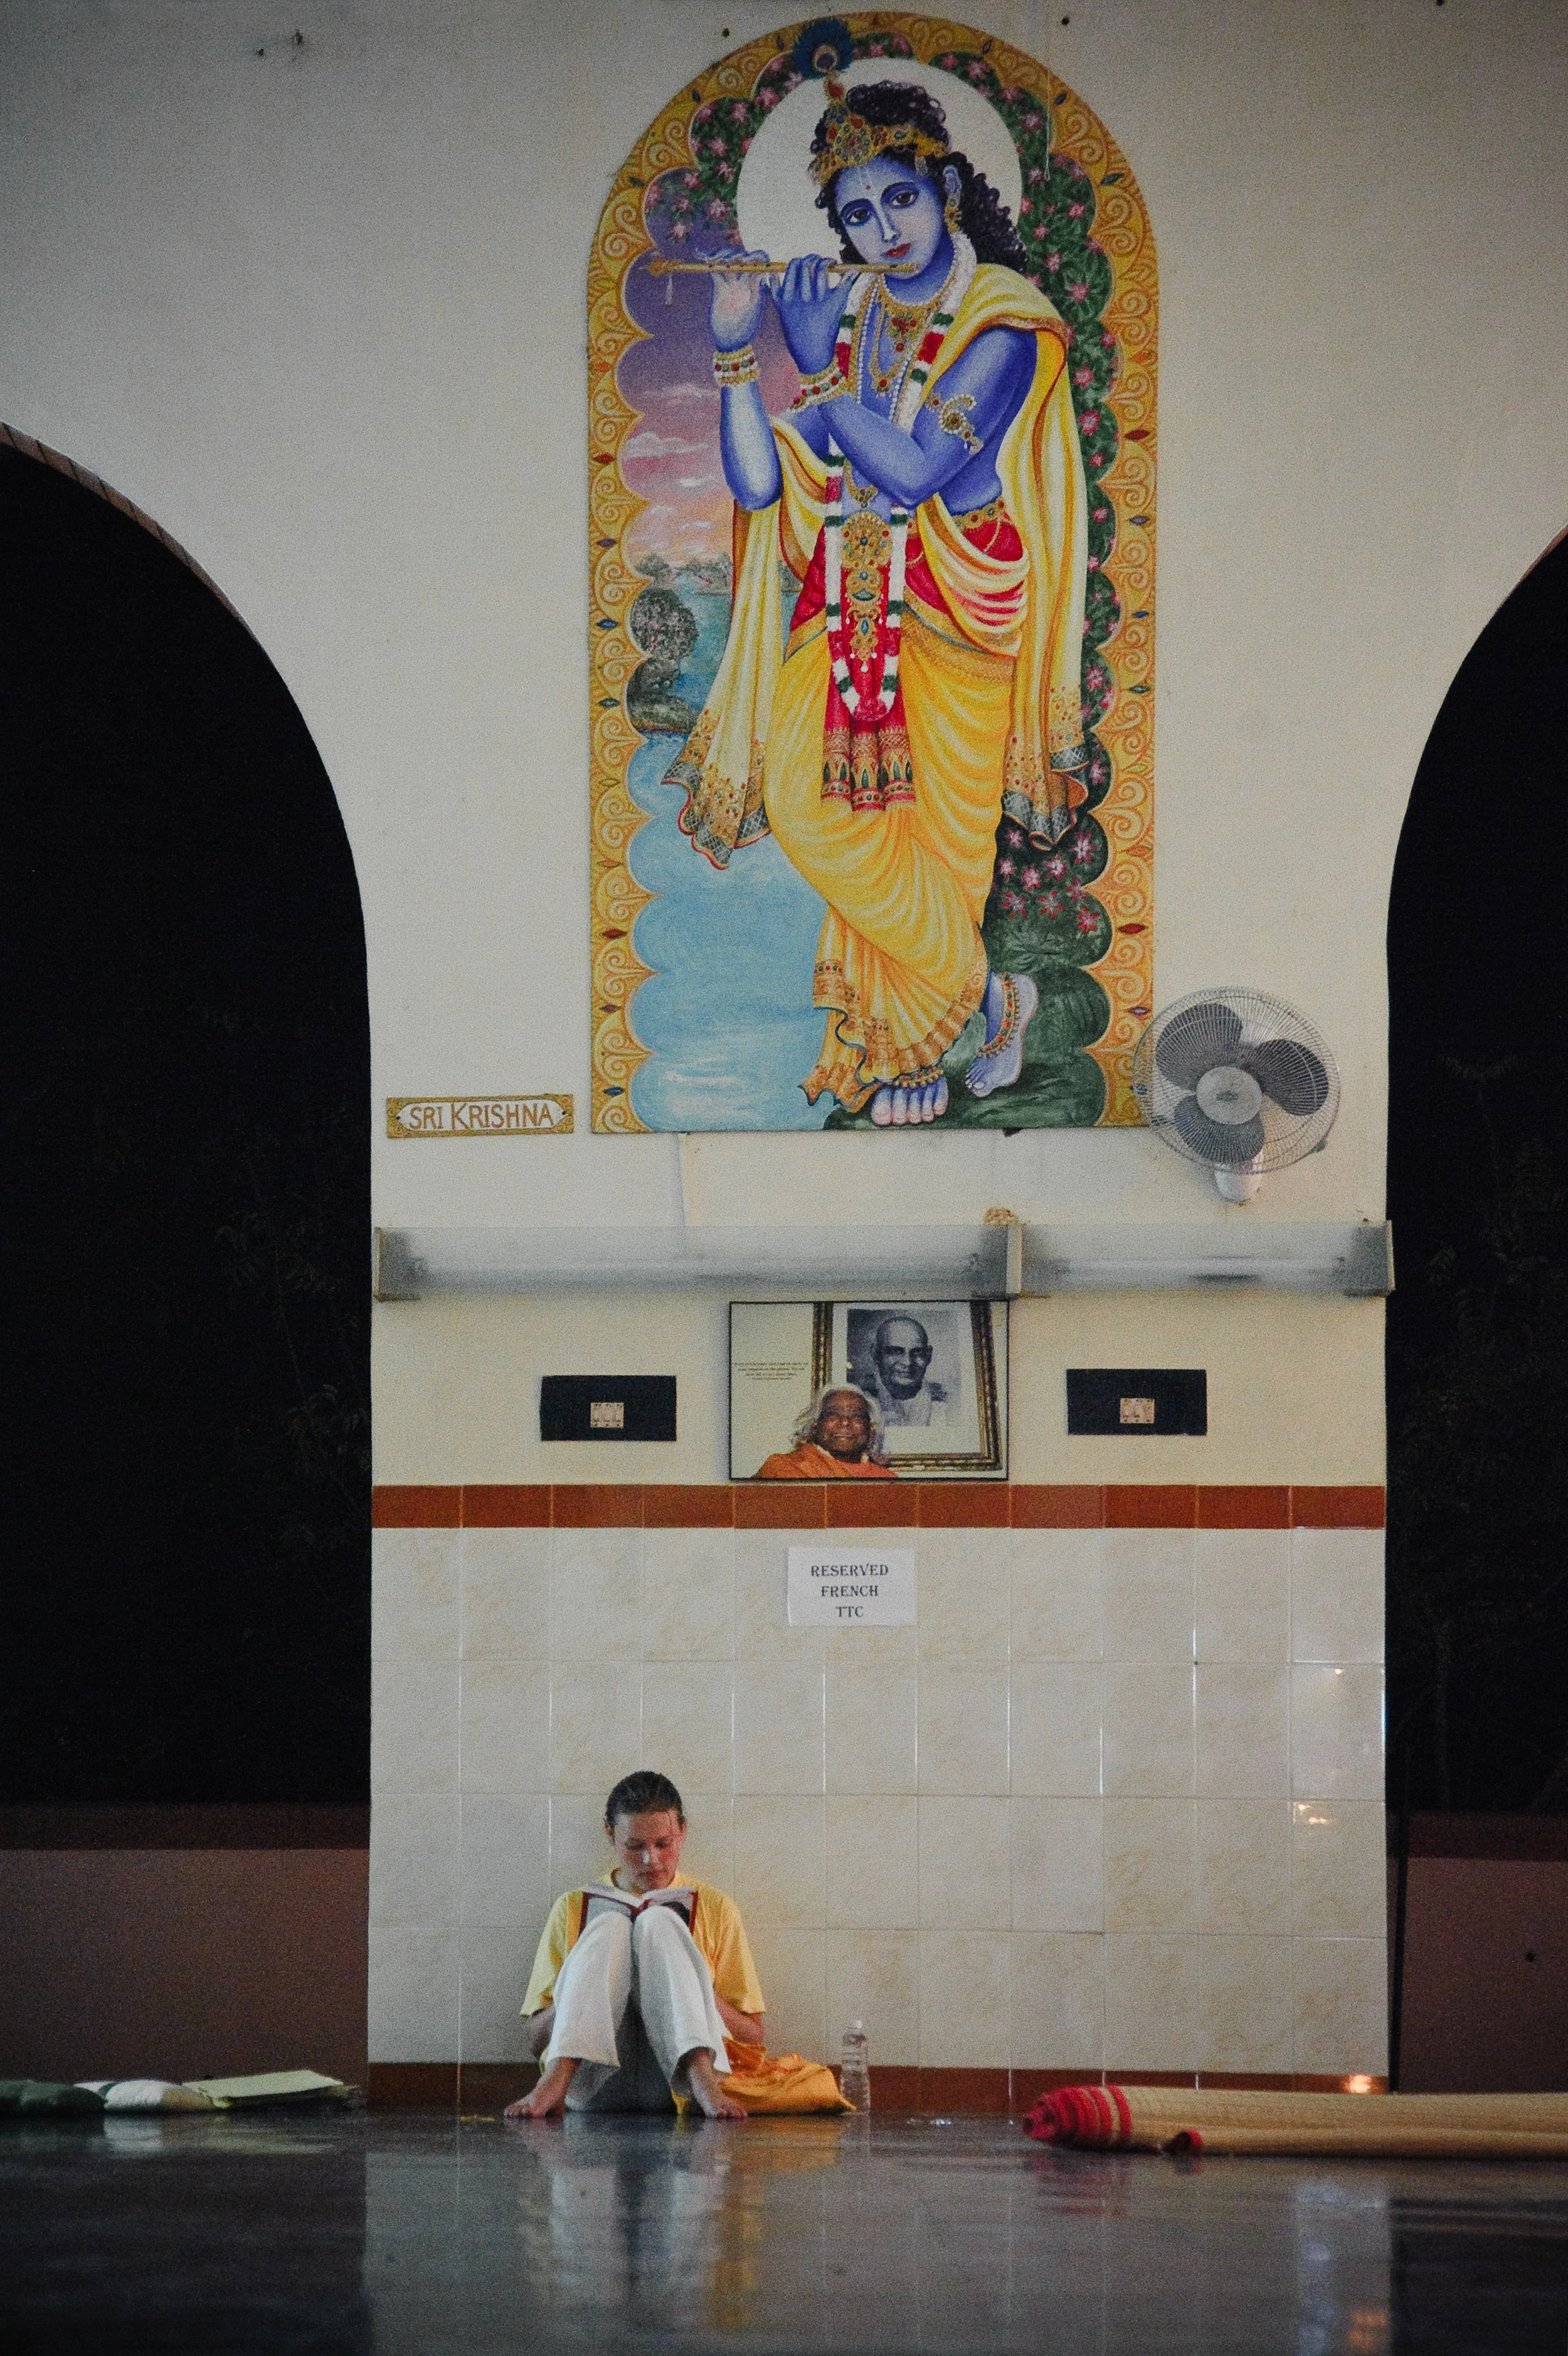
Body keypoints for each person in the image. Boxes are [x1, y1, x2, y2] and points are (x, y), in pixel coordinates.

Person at [670, 76, 1088, 1129]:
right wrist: (733, 348)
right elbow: (764, 483)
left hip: (957, 614)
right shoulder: (852, 318)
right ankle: (994, 999)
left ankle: (920, 1046)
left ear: (944, 184)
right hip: (848, 603)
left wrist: (813, 368)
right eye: (856, 214)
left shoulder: (1003, 323)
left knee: (935, 847)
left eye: (898, 199)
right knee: (815, 813)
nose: (882, 230)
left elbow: (908, 470)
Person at [507, 1772, 761, 2121]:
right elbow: (535, 2040)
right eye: (635, 1846)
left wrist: (692, 1987)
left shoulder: (716, 1907)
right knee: (610, 1925)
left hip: (678, 2086)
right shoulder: (571, 1908)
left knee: (659, 1922)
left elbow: (754, 2036)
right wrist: (580, 1990)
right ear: (610, 1835)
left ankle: (701, 2073)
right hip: (595, 2081)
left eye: (663, 1844)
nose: (651, 1860)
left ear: (682, 1833)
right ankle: (557, 2076)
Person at [755, 1382, 896, 1480]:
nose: (845, 1422)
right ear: (815, 1425)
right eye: (833, 1414)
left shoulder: (888, 1480)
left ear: (871, 1429)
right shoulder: (782, 1469)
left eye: (857, 1416)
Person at [856, 1313, 949, 1427]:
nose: (908, 1362)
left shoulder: (949, 1403)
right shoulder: (857, 1399)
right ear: (876, 1354)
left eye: (917, 1352)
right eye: (896, 1352)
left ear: (929, 1356)